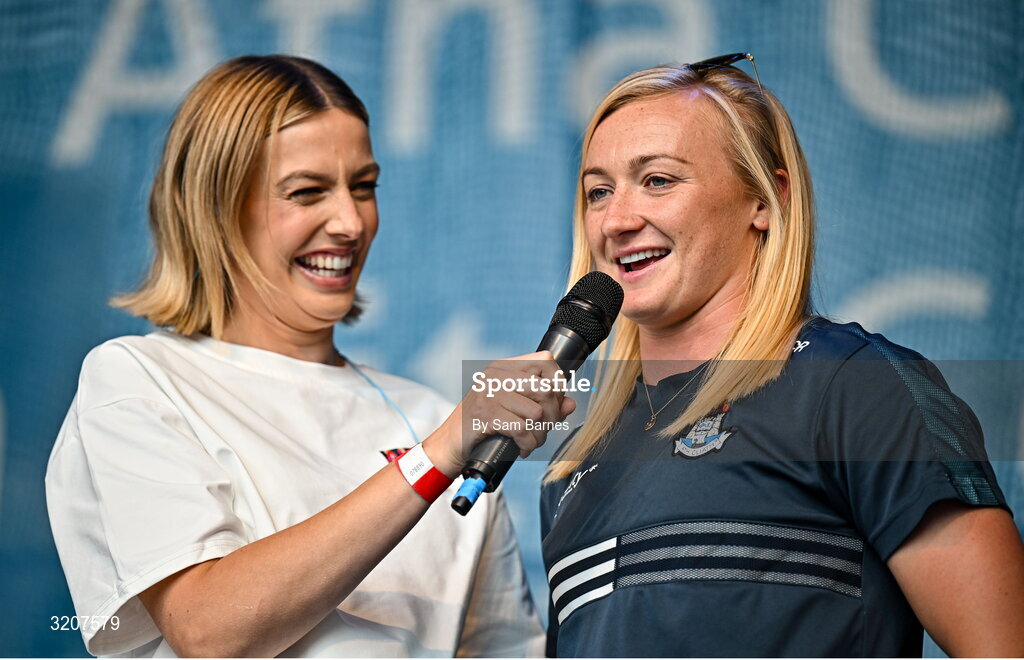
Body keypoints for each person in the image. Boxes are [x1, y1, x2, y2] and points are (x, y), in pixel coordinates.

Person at [45, 54, 573, 658]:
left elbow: (502, 650)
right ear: (215, 209)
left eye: (364, 187)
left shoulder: (431, 414)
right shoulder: (138, 379)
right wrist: (436, 457)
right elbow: (210, 630)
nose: (350, 222)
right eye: (307, 192)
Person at [540, 54, 1024, 657]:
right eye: (598, 191)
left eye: (658, 180)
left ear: (765, 200)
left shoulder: (851, 385)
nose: (617, 219)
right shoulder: (570, 471)